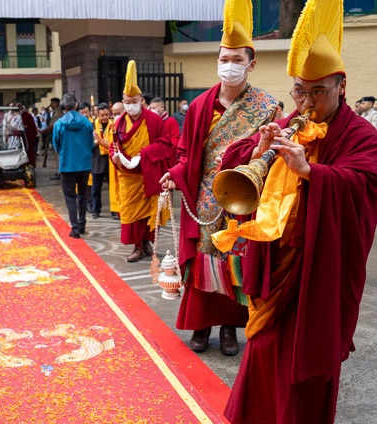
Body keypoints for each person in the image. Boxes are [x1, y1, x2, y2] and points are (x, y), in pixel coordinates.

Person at [216, 0, 377, 421]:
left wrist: (312, 172)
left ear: (342, 85)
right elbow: (239, 171)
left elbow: (364, 185)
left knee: (305, 364)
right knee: (265, 350)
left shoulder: (361, 134)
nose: (306, 102)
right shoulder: (293, 122)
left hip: (318, 270)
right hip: (278, 264)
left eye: (318, 92)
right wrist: (260, 149)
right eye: (299, 92)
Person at [159, 0, 280, 356]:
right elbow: (185, 155)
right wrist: (173, 174)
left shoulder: (266, 107)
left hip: (244, 195)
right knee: (203, 259)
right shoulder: (198, 107)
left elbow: (271, 155)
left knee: (236, 260)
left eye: (237, 60)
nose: (229, 67)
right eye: (224, 60)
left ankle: (230, 327)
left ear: (251, 64)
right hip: (205, 198)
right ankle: (201, 326)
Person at [111, 60, 173, 262]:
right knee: (131, 213)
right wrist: (115, 156)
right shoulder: (119, 122)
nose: (130, 106)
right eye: (126, 102)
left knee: (150, 213)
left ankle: (145, 244)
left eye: (134, 101)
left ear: (141, 100)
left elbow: (166, 143)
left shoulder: (154, 120)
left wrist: (143, 155)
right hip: (128, 177)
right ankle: (138, 246)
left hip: (148, 173)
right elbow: (115, 144)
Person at [52, 94, 93, 238]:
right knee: (83, 195)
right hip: (84, 164)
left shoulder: (59, 124)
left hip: (67, 165)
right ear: (76, 105)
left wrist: (64, 153)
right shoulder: (87, 123)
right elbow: (91, 143)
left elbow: (56, 145)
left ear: (63, 107)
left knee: (70, 197)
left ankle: (75, 228)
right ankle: (82, 225)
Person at [91, 103, 112, 219]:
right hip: (97, 159)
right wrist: (94, 142)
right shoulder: (92, 126)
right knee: (96, 188)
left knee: (112, 187)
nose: (104, 117)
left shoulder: (112, 124)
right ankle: (96, 210)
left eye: (106, 115)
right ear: (97, 115)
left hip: (110, 159)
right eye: (102, 115)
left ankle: (114, 210)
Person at [108, 102, 124, 220]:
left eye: (118, 113)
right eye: (114, 114)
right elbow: (110, 145)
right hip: (115, 161)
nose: (116, 116)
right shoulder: (112, 126)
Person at [41, 97, 63, 175]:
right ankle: (59, 170)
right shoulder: (54, 111)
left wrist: (45, 131)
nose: (51, 105)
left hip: (58, 135)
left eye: (52, 103)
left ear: (56, 103)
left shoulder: (58, 111)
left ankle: (60, 172)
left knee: (58, 154)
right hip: (54, 134)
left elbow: (54, 124)